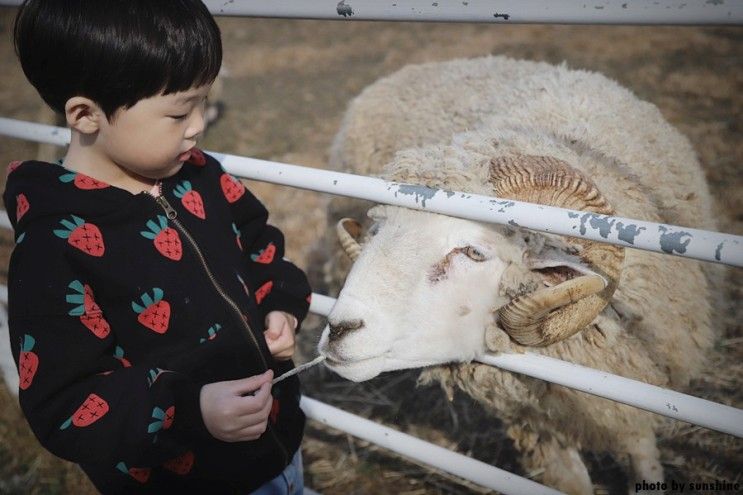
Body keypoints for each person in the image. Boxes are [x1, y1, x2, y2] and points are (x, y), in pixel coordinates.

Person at [4, 1, 312, 493]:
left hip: (277, 445)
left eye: (203, 103)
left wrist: (280, 306)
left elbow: (259, 244)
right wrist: (191, 411)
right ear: (86, 115)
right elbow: (66, 401)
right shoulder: (54, 247)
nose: (197, 125)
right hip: (185, 480)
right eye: (178, 111)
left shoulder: (200, 175)